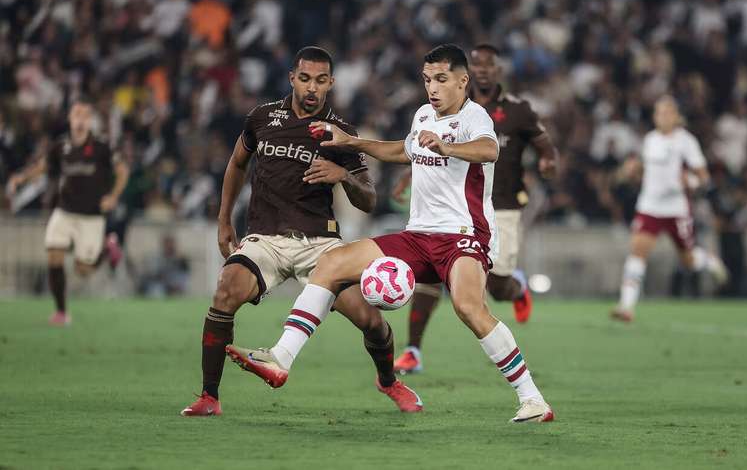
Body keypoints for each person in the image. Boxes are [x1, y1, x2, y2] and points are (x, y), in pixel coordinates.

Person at [228, 44, 554, 423]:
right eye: (427, 79)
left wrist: (446, 145)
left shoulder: (474, 116)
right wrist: (351, 142)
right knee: (332, 262)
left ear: (463, 81)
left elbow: (488, 150)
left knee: (468, 306)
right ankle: (281, 357)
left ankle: (532, 399)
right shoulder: (422, 115)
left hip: (464, 235)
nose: (432, 88)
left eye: (442, 79)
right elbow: (404, 150)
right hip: (417, 235)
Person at [181, 46, 422, 417]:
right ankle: (209, 396)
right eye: (305, 78)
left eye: (321, 81)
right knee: (225, 291)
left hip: (321, 246)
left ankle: (388, 381)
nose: (312, 88)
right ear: (292, 77)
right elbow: (236, 164)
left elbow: (369, 199)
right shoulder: (262, 118)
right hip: (266, 239)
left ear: (331, 83)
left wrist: (343, 176)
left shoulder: (339, 134)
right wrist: (224, 218)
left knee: (370, 320)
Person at [391, 43, 558, 375]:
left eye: (488, 65)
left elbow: (541, 141)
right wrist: (411, 173)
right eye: (477, 64)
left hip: (503, 204)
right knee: (429, 276)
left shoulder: (516, 110)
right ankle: (412, 349)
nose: (483, 70)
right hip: (453, 207)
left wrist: (548, 158)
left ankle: (517, 287)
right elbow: (433, 150)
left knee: (495, 288)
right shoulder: (446, 103)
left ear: (496, 70)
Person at [7, 99, 129, 325]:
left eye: (85, 116)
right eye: (77, 115)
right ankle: (62, 312)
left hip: (91, 216)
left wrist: (113, 196)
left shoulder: (102, 147)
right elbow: (43, 167)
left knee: (83, 270)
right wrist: (22, 178)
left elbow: (122, 171)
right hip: (64, 211)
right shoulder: (60, 146)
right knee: (54, 255)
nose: (80, 120)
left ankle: (107, 246)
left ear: (90, 121)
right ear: (70, 119)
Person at [611, 95, 727, 322]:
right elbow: (646, 172)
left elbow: (704, 177)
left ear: (676, 117)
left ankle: (710, 262)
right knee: (637, 252)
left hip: (676, 209)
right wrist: (633, 171)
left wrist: (691, 182)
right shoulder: (650, 139)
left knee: (689, 261)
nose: (661, 117)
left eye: (666, 113)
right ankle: (626, 306)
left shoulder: (686, 141)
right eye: (658, 113)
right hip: (650, 206)